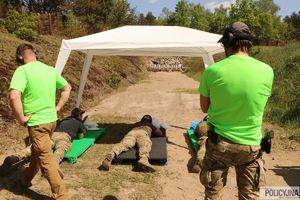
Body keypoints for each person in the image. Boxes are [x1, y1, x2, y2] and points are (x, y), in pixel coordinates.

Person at [199, 22, 274, 200]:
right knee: (250, 196)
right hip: (251, 147)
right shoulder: (267, 71)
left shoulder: (212, 71)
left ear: (227, 43)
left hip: (220, 145)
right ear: (249, 44)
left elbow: (204, 108)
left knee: (213, 194)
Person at [9, 44, 71, 200]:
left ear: (20, 57)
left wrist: (21, 118)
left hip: (37, 124)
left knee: (46, 161)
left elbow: (14, 96)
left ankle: (61, 196)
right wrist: (58, 107)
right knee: (38, 154)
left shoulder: (22, 70)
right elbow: (67, 88)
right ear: (35, 54)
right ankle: (24, 180)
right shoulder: (50, 69)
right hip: (51, 121)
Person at [0, 108, 86, 178]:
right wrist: (81, 127)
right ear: (78, 116)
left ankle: (15, 157)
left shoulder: (64, 120)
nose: (81, 116)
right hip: (64, 136)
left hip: (52, 135)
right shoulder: (78, 123)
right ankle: (54, 165)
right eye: (80, 115)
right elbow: (81, 136)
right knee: (61, 148)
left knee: (35, 147)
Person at [100, 115, 167, 172]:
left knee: (123, 144)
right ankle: (143, 159)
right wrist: (160, 128)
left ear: (141, 120)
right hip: (143, 133)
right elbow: (159, 133)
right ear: (150, 121)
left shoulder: (136, 123)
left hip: (132, 133)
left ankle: (111, 154)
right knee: (145, 145)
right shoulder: (150, 124)